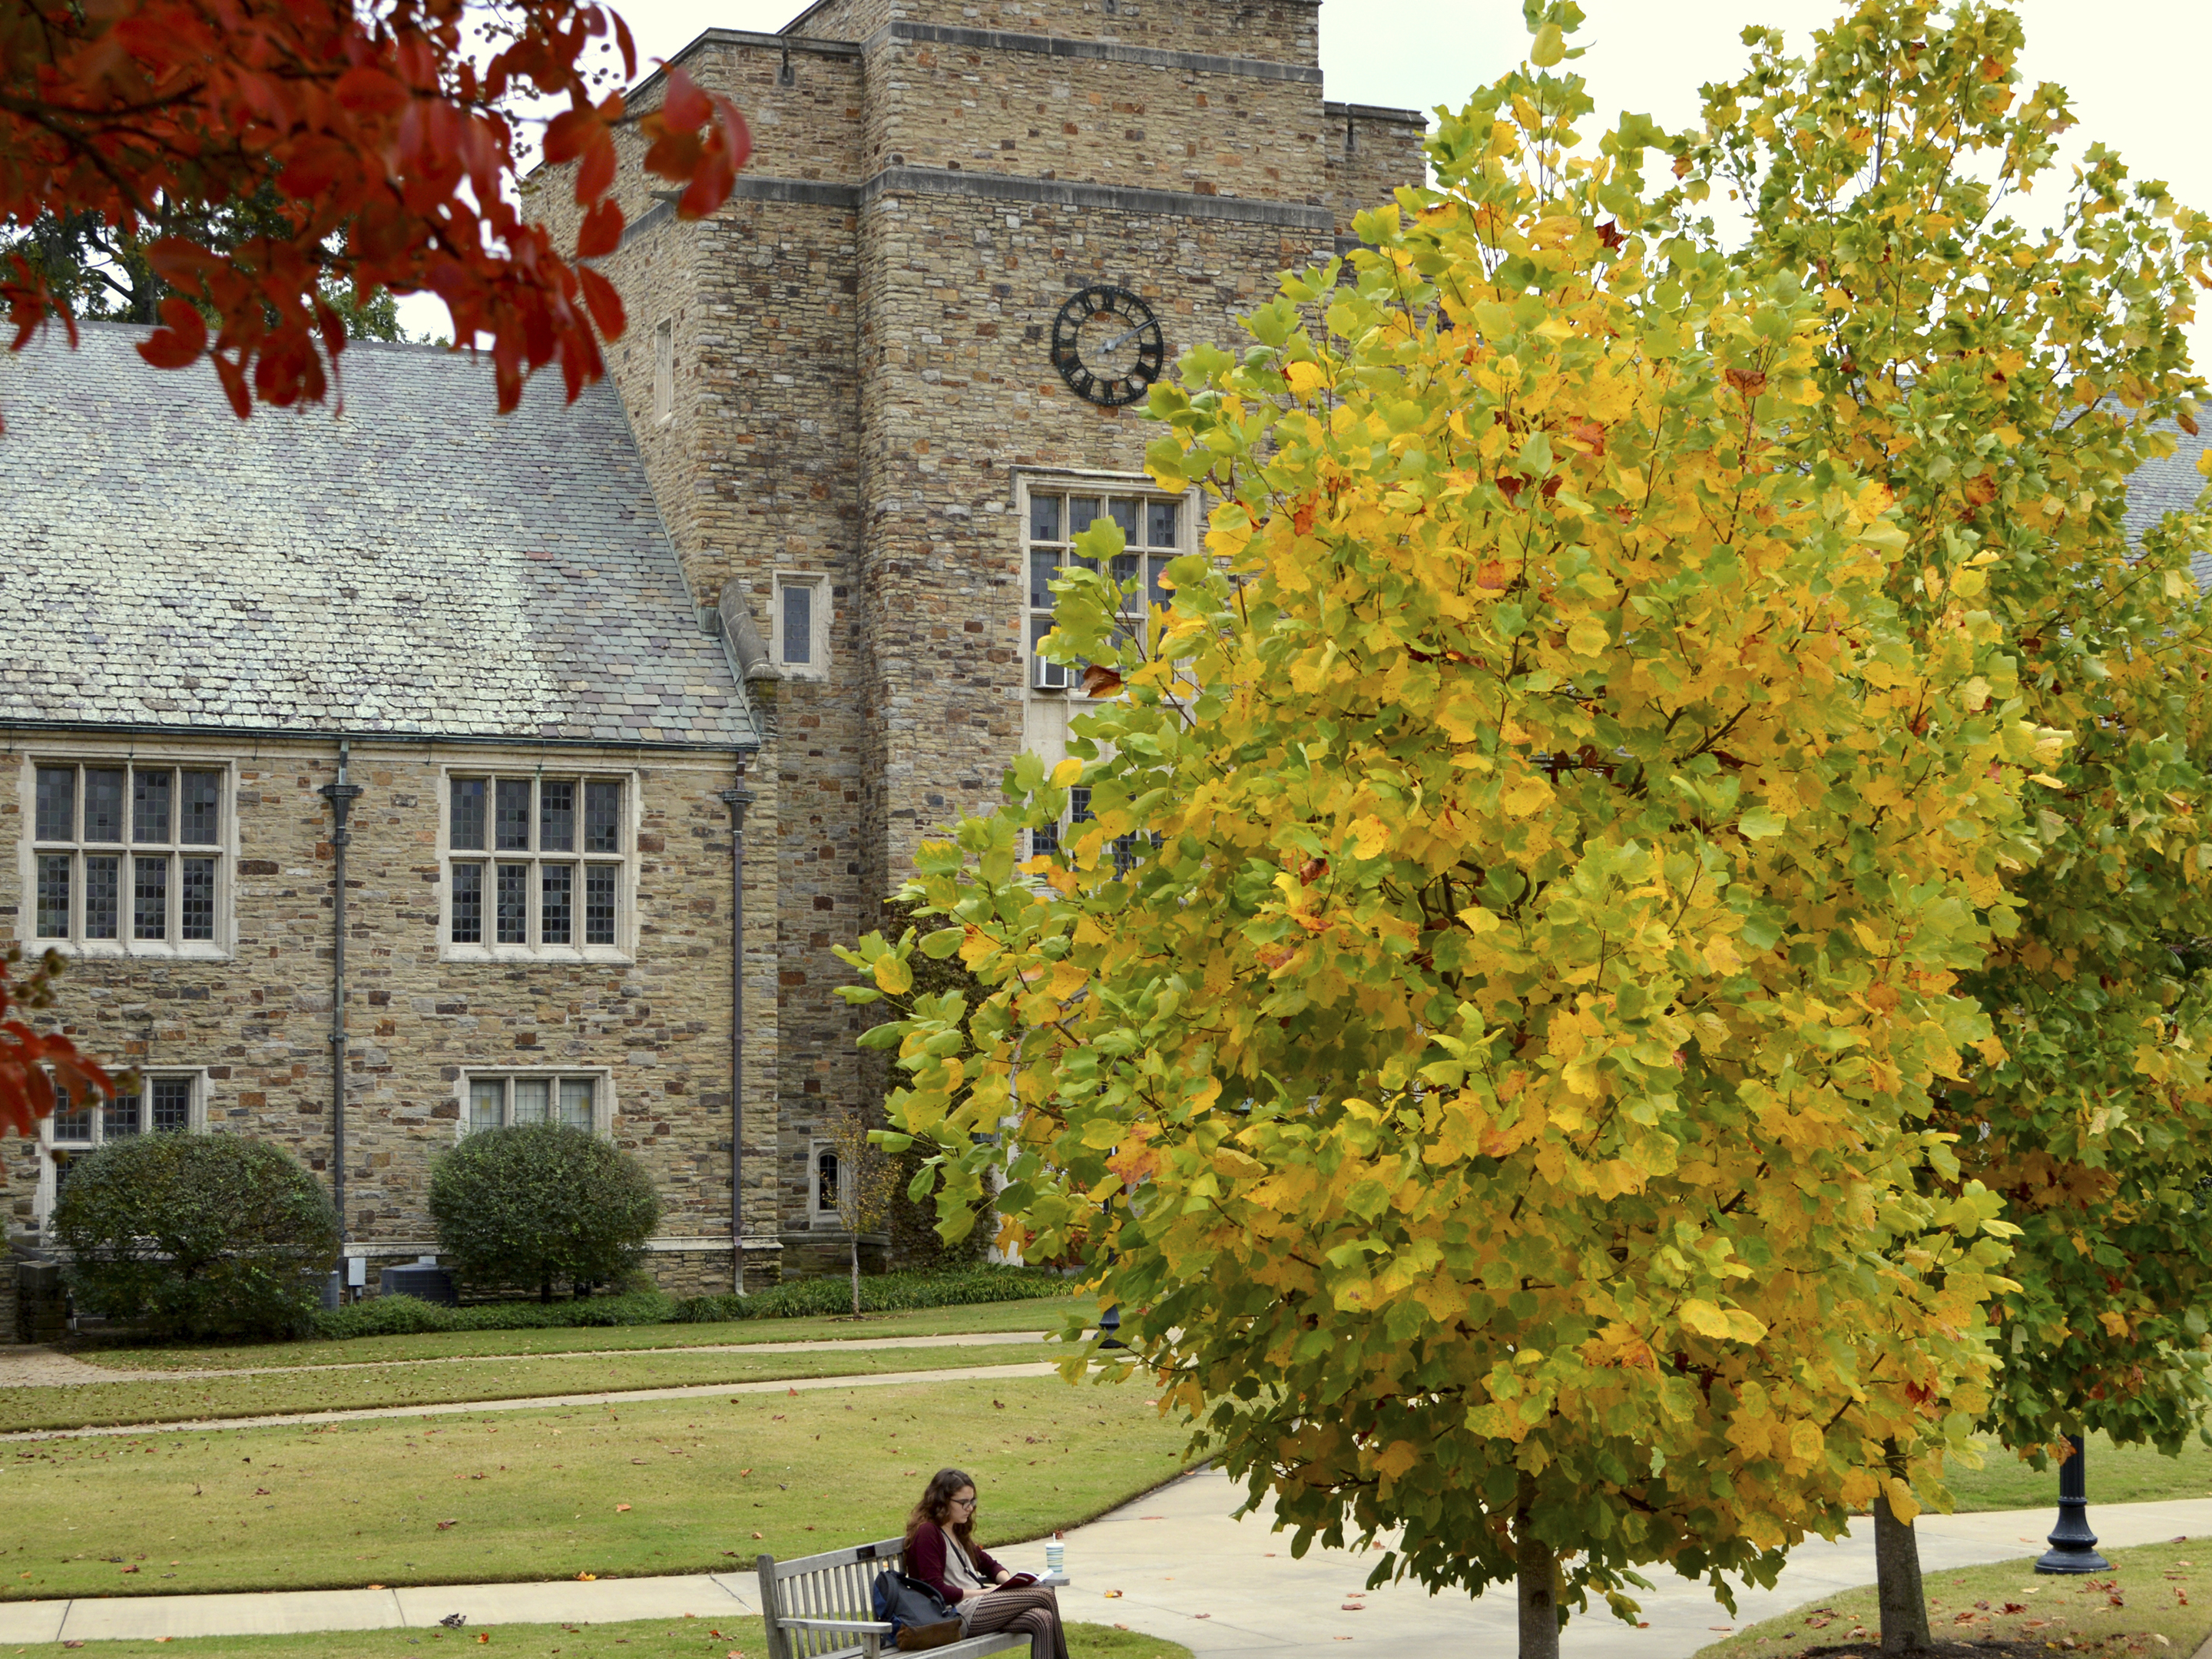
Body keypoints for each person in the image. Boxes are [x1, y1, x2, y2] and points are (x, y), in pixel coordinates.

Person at [902, 1467, 1071, 1659]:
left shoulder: (957, 1530)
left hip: (978, 1607)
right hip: (953, 1616)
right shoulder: (928, 1533)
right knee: (1045, 1595)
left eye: (972, 1501)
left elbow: (990, 1565)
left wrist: (1008, 1582)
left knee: (1042, 1619)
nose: (970, 1508)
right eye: (963, 1502)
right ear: (942, 1501)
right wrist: (986, 1592)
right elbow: (935, 1589)